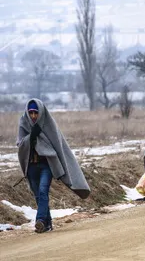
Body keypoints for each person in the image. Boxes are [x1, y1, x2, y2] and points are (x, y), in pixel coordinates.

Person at [17, 99, 90, 233]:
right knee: (38, 196)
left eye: (36, 113)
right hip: (31, 166)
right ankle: (47, 224)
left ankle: (39, 220)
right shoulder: (23, 123)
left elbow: (59, 146)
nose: (33, 116)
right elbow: (20, 145)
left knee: (43, 191)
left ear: (41, 112)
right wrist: (31, 137)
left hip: (46, 165)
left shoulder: (48, 124)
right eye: (31, 112)